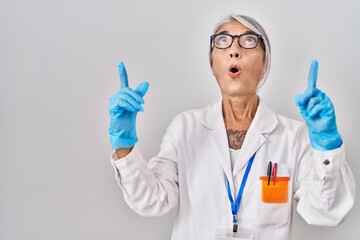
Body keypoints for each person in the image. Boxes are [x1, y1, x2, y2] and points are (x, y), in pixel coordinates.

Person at [108, 14, 355, 240]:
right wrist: (125, 146)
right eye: (223, 41)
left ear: (266, 63)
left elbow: (325, 212)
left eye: (248, 41)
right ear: (212, 64)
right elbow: (152, 201)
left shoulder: (293, 137)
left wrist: (327, 145)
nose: (234, 50)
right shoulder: (185, 129)